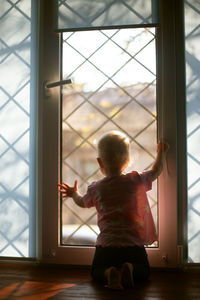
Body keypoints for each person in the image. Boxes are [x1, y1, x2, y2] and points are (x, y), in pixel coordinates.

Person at [58, 131, 169, 290]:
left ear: (99, 162)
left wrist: (73, 193)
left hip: (106, 246)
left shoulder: (96, 188)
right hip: (133, 244)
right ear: (129, 160)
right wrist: (162, 151)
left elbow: (82, 202)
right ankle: (130, 268)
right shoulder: (136, 180)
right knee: (144, 272)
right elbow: (156, 171)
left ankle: (109, 272)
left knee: (96, 272)